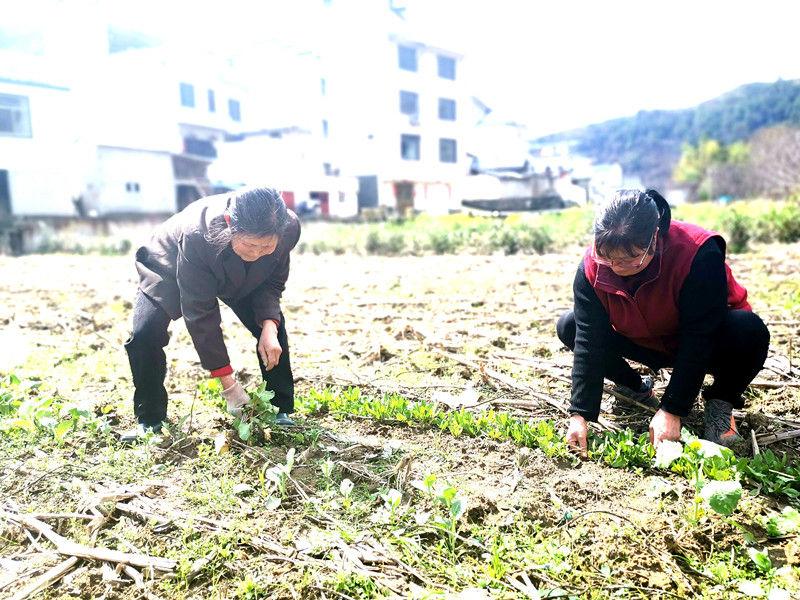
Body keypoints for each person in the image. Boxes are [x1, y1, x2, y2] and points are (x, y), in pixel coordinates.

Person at [557, 189, 769, 455]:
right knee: (571, 326)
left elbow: (699, 336)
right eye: (606, 256)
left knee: (749, 330)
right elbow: (590, 338)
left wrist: (673, 408)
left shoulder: (697, 253)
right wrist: (580, 414)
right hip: (644, 339)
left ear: (654, 239)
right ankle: (637, 389)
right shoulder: (591, 268)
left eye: (630, 258)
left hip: (702, 338)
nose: (616, 266)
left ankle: (720, 402)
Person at [122, 187, 301, 440]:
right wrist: (230, 388)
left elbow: (271, 281)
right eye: (251, 244)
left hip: (236, 270)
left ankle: (280, 408)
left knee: (273, 330)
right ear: (230, 224)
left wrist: (269, 325)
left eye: (267, 246)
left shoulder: (288, 228)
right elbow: (200, 313)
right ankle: (150, 420)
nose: (257, 253)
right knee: (145, 334)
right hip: (170, 263)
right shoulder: (198, 235)